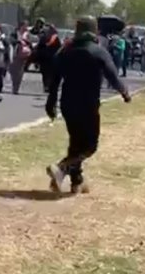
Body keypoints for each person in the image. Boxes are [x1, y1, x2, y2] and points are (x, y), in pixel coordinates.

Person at [45, 16, 131, 194]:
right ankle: (61, 167)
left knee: (76, 143)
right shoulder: (98, 51)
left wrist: (51, 102)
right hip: (88, 105)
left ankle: (77, 182)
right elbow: (113, 76)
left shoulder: (65, 51)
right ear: (95, 30)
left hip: (67, 104)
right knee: (90, 146)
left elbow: (54, 81)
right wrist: (124, 92)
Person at [35, 22, 61, 93]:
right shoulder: (43, 38)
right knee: (45, 73)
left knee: (50, 74)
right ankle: (46, 86)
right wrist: (37, 59)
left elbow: (59, 48)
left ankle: (48, 86)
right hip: (44, 59)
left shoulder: (55, 38)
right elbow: (39, 48)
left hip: (52, 59)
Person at [8, 21, 32, 95]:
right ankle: (14, 85)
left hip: (24, 55)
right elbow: (10, 41)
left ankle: (16, 88)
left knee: (20, 72)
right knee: (13, 72)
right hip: (15, 54)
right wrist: (18, 41)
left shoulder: (27, 34)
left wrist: (26, 41)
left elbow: (30, 43)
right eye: (24, 26)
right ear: (21, 26)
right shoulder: (15, 33)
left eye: (26, 26)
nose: (26, 27)